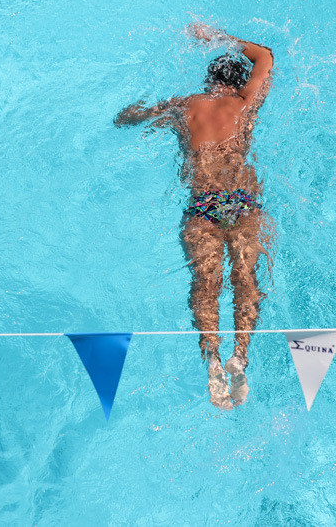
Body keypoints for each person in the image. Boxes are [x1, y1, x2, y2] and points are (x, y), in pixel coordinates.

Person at [115, 24, 274, 409]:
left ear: (208, 81)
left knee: (207, 281)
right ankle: (241, 354)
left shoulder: (185, 105)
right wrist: (214, 34)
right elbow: (266, 56)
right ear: (238, 82)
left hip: (203, 205)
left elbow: (128, 118)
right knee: (245, 278)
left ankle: (213, 358)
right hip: (242, 201)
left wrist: (134, 112)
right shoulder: (243, 103)